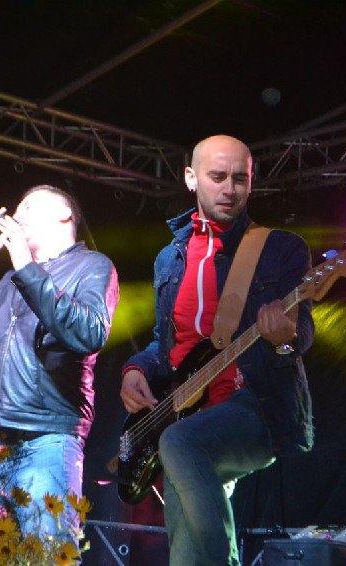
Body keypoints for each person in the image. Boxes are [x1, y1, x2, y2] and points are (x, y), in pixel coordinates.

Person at [120, 135, 314, 565]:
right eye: (218, 177)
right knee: (184, 547)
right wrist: (135, 369)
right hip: (185, 417)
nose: (230, 189)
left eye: (240, 179)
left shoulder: (278, 248)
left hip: (255, 406)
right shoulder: (169, 259)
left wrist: (282, 337)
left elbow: (300, 334)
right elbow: (166, 343)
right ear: (191, 178)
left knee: (178, 443)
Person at [0, 185, 119, 537]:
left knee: (46, 549)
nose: (16, 215)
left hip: (49, 437)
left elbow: (87, 334)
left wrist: (25, 265)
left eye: (29, 207)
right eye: (17, 208)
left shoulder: (93, 266)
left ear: (64, 215)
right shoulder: (11, 280)